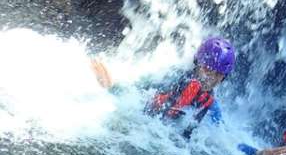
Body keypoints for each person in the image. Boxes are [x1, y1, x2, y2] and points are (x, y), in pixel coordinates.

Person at [91, 36, 236, 138]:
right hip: (141, 119)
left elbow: (223, 134)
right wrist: (113, 87)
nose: (211, 78)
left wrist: (254, 154)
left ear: (224, 77)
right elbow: (136, 91)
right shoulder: (174, 78)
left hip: (162, 134)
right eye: (207, 70)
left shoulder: (210, 102)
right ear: (197, 64)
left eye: (218, 74)